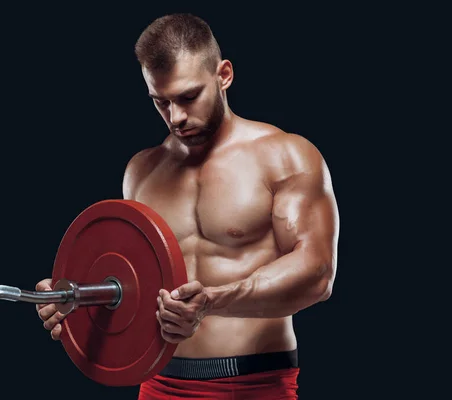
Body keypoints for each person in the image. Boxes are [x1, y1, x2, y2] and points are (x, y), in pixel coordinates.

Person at [36, 13, 339, 399]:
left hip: (253, 384)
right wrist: (76, 298)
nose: (176, 117)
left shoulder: (286, 156)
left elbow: (317, 274)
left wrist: (213, 300)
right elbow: (134, 290)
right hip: (158, 383)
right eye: (160, 102)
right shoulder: (141, 171)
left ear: (223, 75)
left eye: (188, 97)